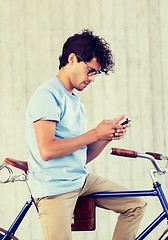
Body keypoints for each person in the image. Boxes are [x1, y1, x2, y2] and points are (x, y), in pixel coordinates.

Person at [25, 29, 147, 240]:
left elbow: (82, 156)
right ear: (72, 59)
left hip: (79, 180)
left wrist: (105, 137)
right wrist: (94, 133)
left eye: (95, 73)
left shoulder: (77, 104)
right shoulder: (48, 95)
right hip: (54, 186)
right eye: (90, 70)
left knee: (135, 204)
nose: (92, 78)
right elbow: (47, 150)